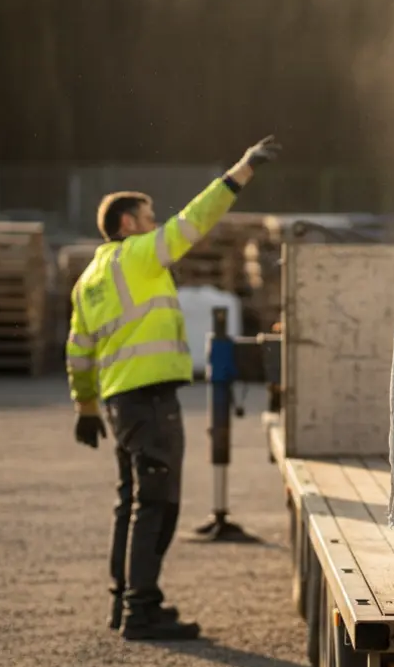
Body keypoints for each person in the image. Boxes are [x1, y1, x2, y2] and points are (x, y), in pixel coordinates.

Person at [66, 136, 281, 640]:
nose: (155, 224)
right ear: (127, 225)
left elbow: (77, 350)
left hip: (120, 401)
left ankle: (124, 601)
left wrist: (85, 406)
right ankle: (142, 608)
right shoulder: (139, 257)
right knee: (157, 502)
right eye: (147, 217)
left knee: (131, 500)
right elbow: (195, 220)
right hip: (151, 397)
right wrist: (242, 170)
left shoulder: (89, 278)